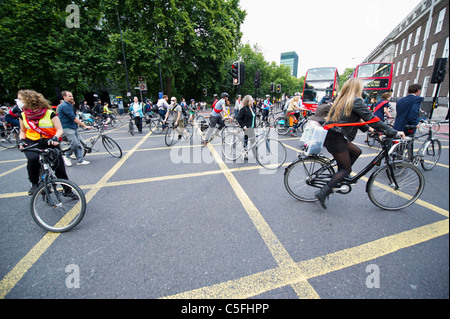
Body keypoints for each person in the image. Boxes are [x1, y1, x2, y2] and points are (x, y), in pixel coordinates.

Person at [316, 78, 405, 209]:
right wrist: (393, 132)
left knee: (357, 151)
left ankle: (340, 175)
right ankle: (323, 193)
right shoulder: (355, 100)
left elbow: (353, 119)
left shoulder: (342, 100)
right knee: (346, 169)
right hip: (336, 137)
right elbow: (372, 118)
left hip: (333, 134)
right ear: (358, 88)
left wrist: (370, 129)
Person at [17, 89, 77, 198]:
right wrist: (21, 140)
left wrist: (55, 138)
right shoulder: (23, 115)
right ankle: (34, 183)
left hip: (49, 141)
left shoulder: (49, 113)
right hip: (32, 142)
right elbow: (22, 131)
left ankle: (67, 190)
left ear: (29, 99)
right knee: (32, 159)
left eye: (20, 99)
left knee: (59, 167)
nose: (18, 101)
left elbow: (59, 129)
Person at [58, 91, 92, 166]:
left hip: (73, 127)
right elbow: (74, 118)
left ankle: (80, 160)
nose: (72, 97)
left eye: (72, 96)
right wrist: (85, 126)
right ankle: (67, 156)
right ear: (64, 97)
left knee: (78, 144)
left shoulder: (69, 105)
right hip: (67, 128)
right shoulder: (64, 106)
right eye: (69, 96)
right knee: (75, 144)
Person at [236, 95, 257, 160]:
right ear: (248, 101)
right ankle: (245, 154)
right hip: (246, 128)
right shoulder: (244, 108)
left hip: (251, 128)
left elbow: (253, 117)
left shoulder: (252, 108)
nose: (253, 101)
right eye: (251, 100)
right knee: (246, 142)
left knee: (253, 141)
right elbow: (238, 118)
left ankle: (255, 155)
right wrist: (243, 126)